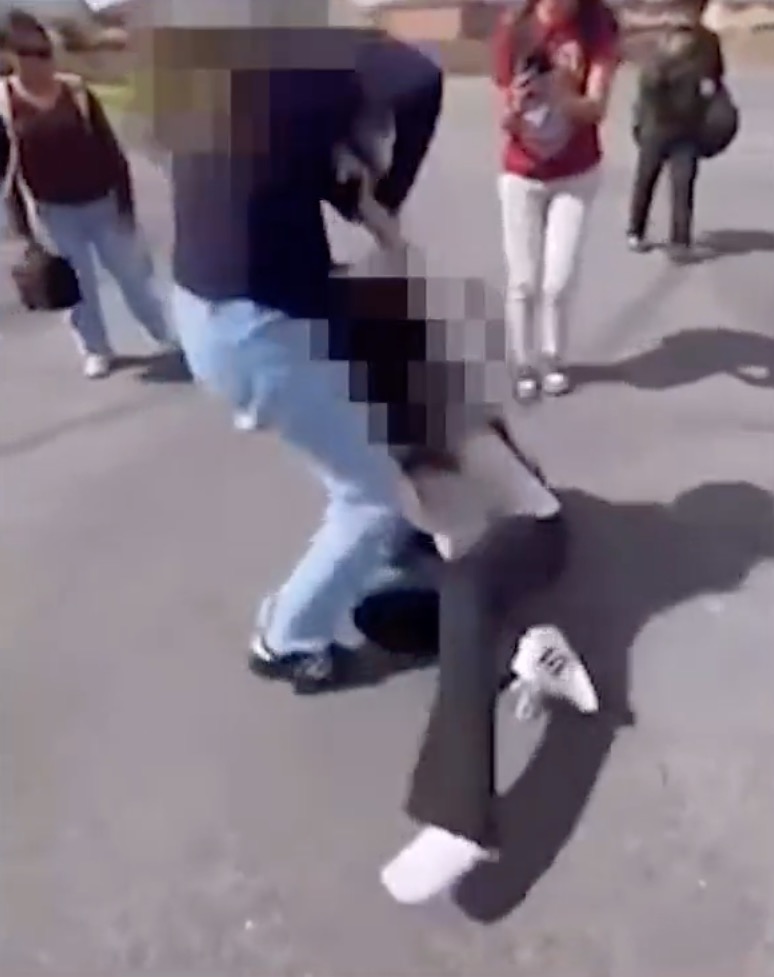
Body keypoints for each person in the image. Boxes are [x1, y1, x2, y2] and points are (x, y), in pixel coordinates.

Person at [141, 3, 443, 694]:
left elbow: (259, 162)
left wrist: (342, 184)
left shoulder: (208, 66)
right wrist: (387, 195)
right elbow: (420, 80)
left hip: (222, 306)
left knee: (364, 405)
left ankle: (392, 539)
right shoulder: (315, 57)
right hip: (253, 328)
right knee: (368, 496)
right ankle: (287, 638)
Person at [352, 417, 598, 904]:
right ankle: (530, 651)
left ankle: (458, 815)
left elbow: (465, 540)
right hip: (469, 537)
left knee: (464, 589)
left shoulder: (436, 423)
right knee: (378, 612)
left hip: (532, 536)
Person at [0, 8, 171, 378]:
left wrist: (126, 203)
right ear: (12, 56)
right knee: (78, 290)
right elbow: (8, 173)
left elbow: (111, 151)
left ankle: (164, 333)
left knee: (133, 277)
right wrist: (24, 233)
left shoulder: (75, 90)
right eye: (29, 53)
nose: (40, 62)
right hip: (53, 212)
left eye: (45, 52)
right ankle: (96, 349)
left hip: (103, 203)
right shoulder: (5, 103)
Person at [492, 0, 619, 400]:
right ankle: (523, 361)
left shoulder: (597, 25)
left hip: (576, 172)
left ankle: (552, 358)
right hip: (522, 173)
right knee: (524, 279)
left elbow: (595, 108)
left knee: (558, 280)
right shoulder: (515, 28)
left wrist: (563, 92)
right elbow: (505, 117)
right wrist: (514, 107)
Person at [627, 11, 725, 260]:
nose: (684, 34)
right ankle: (636, 231)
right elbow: (646, 88)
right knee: (646, 179)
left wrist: (711, 93)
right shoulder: (658, 48)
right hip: (656, 126)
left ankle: (680, 240)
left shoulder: (708, 44)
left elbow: (716, 75)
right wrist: (640, 122)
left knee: (683, 183)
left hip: (689, 126)